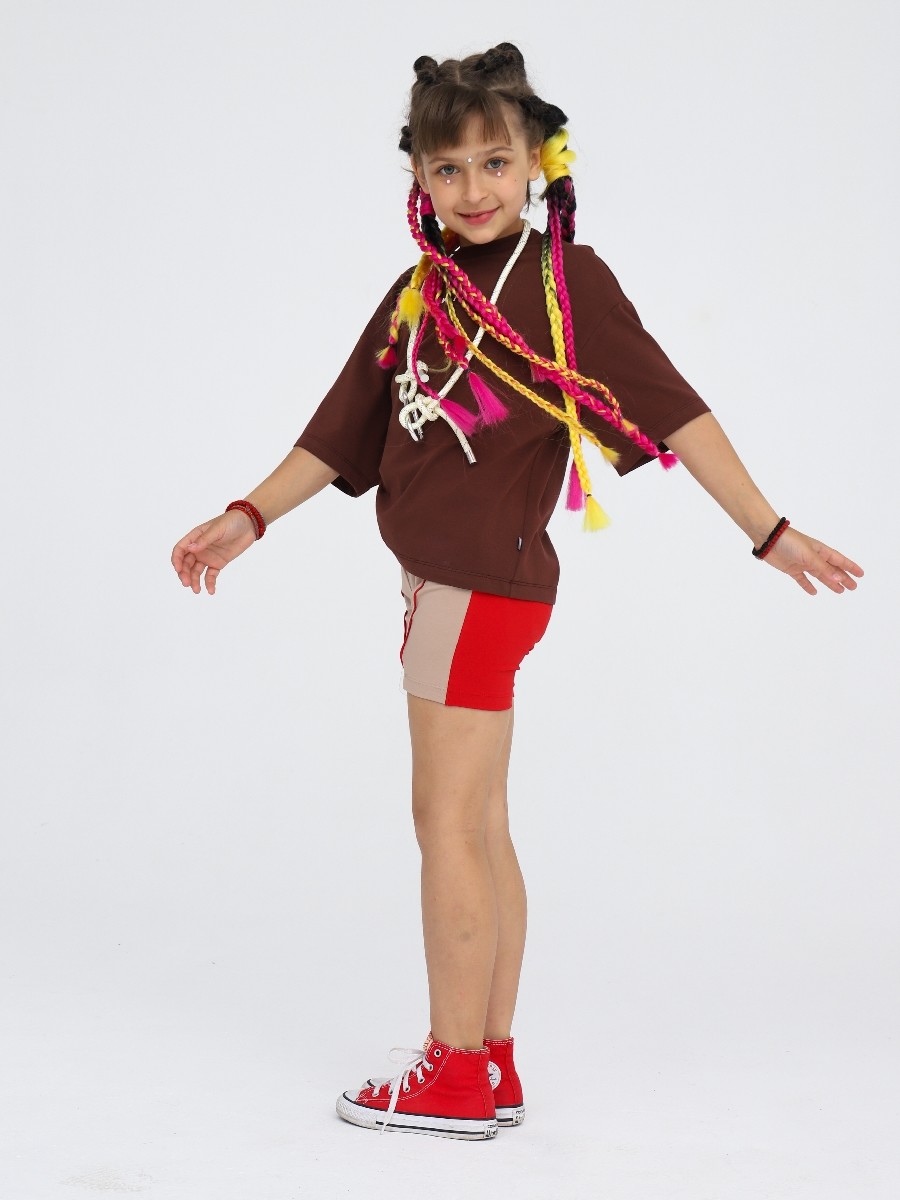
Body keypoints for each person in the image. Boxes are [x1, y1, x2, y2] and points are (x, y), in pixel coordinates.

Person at [170, 43, 864, 1142]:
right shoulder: (422, 290)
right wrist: (248, 516)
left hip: (474, 589)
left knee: (445, 822)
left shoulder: (564, 284)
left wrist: (768, 532)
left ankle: (450, 1072)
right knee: (481, 822)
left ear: (539, 160)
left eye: (495, 162)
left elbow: (677, 410)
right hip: (456, 590)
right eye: (447, 168)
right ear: (418, 177)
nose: (474, 188)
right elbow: (340, 429)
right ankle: (489, 1058)